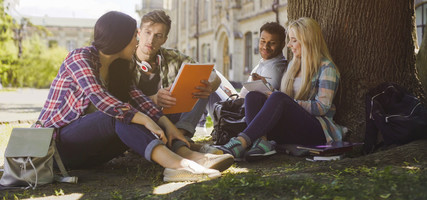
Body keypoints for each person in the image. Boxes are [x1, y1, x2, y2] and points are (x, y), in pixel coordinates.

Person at [37, 11, 231, 182]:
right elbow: (102, 100)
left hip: (93, 155)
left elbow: (141, 101)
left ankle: (184, 152)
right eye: (134, 36)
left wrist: (169, 127)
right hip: (57, 149)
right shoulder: (79, 58)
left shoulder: (119, 67)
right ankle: (177, 165)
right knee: (120, 114)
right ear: (119, 38)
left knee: (134, 111)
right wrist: (146, 120)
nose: (137, 41)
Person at [219, 17, 344, 161]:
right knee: (253, 96)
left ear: (307, 41)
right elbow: (284, 99)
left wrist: (287, 100)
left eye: (294, 40)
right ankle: (262, 143)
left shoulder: (326, 68)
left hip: (316, 131)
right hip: (291, 128)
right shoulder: (293, 65)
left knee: (278, 98)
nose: (289, 45)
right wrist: (267, 87)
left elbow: (322, 108)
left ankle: (241, 142)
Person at [134, 10, 227, 155]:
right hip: (143, 121)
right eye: (147, 32)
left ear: (164, 39)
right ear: (139, 33)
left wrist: (210, 86)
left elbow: (213, 75)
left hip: (173, 118)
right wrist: (154, 99)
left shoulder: (172, 56)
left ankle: (179, 139)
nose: (151, 40)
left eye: (158, 36)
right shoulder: (126, 60)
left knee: (201, 83)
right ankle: (182, 145)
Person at [204, 21, 288, 120]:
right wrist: (233, 96)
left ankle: (195, 125)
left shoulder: (274, 70)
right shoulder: (267, 62)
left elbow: (258, 105)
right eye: (263, 41)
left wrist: (235, 100)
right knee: (213, 73)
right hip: (238, 104)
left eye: (272, 43)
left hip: (236, 116)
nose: (265, 46)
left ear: (282, 44)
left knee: (204, 83)